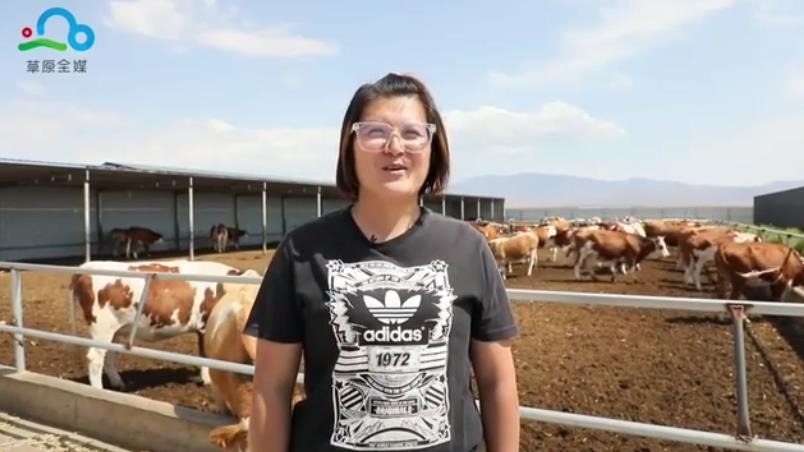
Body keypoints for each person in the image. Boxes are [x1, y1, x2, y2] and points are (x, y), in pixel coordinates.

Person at [244, 72, 520, 452]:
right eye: (375, 132)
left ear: (433, 146)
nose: (394, 147)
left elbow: (497, 382)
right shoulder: (303, 251)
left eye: (412, 133)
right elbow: (271, 389)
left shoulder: (467, 247)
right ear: (350, 146)